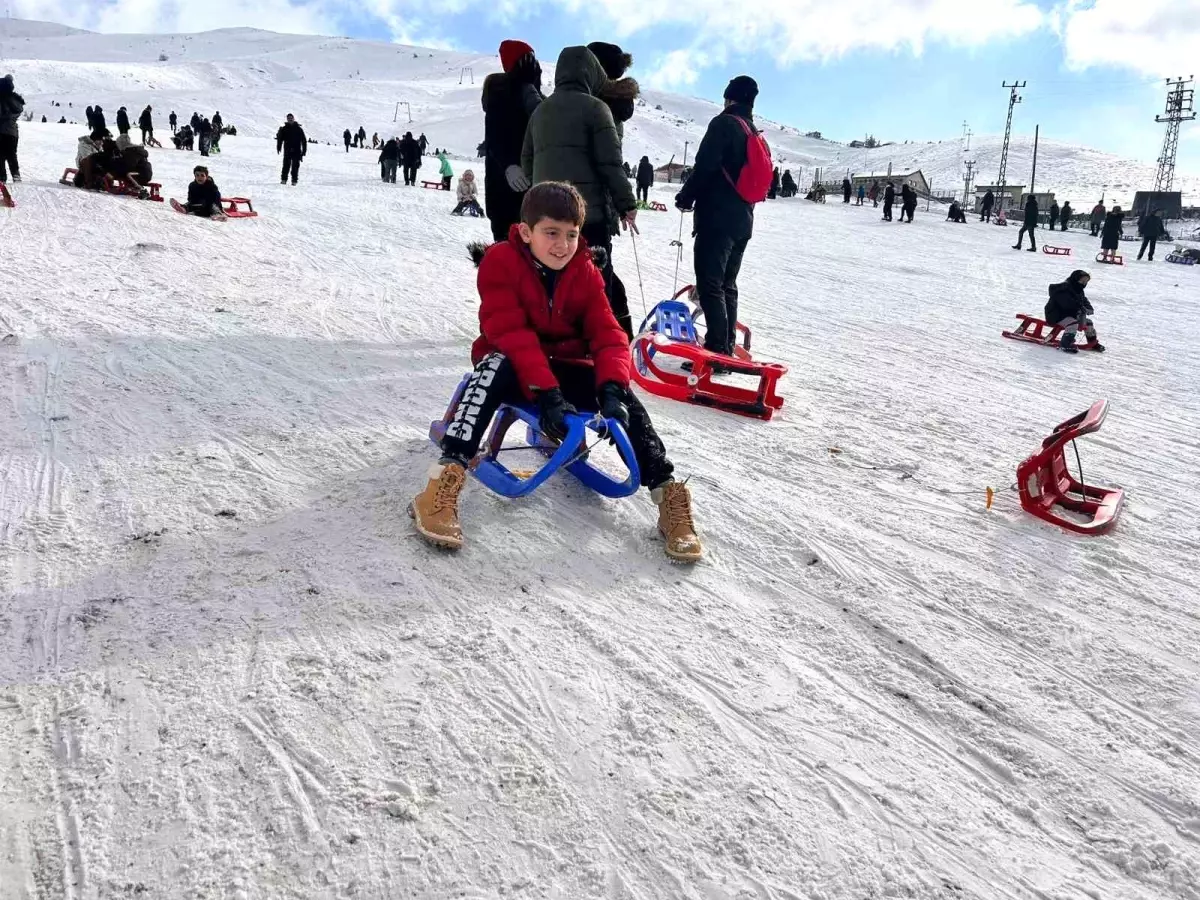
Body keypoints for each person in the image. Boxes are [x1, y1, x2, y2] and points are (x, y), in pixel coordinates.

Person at [410, 181, 702, 562]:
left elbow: (608, 332)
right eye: (552, 233)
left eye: (571, 234)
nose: (563, 245)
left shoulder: (585, 270)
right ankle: (443, 479)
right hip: (514, 367)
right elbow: (511, 333)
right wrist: (547, 393)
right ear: (527, 232)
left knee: (622, 396)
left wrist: (612, 386)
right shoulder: (500, 263)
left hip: (564, 369)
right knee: (493, 365)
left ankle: (666, 492)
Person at [523, 46, 639, 340]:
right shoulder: (596, 108)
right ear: (592, 72)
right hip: (589, 216)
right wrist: (627, 203)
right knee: (596, 281)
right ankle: (600, 343)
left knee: (553, 277)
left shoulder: (540, 110)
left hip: (546, 217)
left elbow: (527, 162)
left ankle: (556, 341)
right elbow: (610, 163)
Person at [673, 75, 768, 360]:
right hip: (743, 220)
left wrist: (685, 197)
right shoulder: (751, 130)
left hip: (717, 218)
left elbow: (705, 167)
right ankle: (724, 344)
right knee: (728, 283)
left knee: (710, 283)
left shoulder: (724, 124)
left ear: (728, 98)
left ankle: (715, 349)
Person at [482, 39, 545, 241]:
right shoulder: (500, 93)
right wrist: (509, 164)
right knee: (509, 249)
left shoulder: (536, 95)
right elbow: (496, 136)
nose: (535, 63)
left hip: (534, 185)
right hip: (506, 186)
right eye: (529, 58)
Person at [1045, 270, 1104, 353]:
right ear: (1075, 279)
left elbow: (1084, 300)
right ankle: (1065, 344)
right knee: (1072, 324)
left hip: (1071, 315)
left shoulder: (1079, 290)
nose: (1084, 283)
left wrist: (1089, 308)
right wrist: (1080, 307)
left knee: (1088, 322)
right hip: (1056, 315)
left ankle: (1092, 343)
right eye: (1082, 281)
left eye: (1086, 282)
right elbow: (1066, 303)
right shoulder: (1064, 288)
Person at [0, 74, 25, 184]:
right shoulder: (16, 100)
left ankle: (1, 177)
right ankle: (16, 174)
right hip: (12, 132)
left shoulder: (1, 100)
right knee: (11, 153)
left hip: (1, 130)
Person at [276, 113, 307, 185]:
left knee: (295, 167)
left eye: (291, 118)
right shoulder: (284, 129)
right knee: (286, 165)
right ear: (287, 119)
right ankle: (283, 179)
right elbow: (280, 139)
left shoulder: (299, 129)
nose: (290, 119)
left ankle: (294, 181)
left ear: (293, 118)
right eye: (288, 118)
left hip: (297, 150)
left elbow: (304, 140)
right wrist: (278, 147)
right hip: (287, 150)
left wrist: (304, 151)